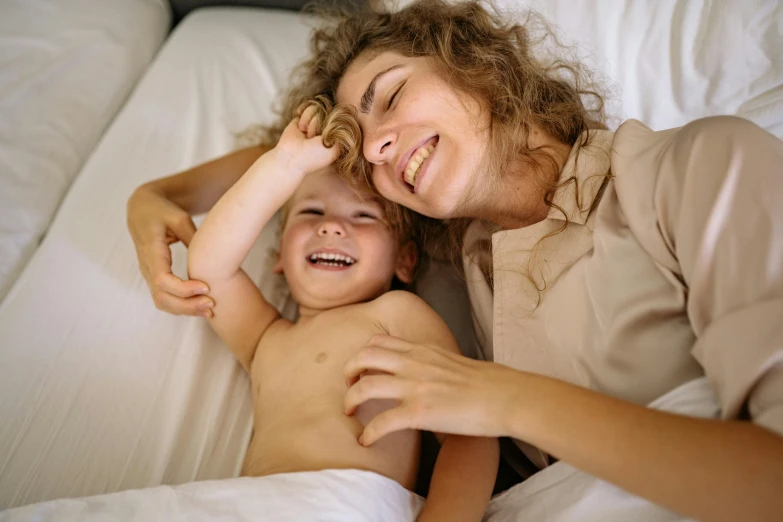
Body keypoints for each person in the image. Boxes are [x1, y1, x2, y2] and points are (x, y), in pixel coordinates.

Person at [128, 0, 783, 520]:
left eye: (388, 96)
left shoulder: (697, 166)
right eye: (363, 155)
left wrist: (501, 400)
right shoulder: (455, 264)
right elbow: (309, 185)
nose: (378, 150)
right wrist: (158, 194)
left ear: (473, 65)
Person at [182, 98, 499, 521]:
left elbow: (469, 431)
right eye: (311, 211)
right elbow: (209, 268)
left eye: (364, 216)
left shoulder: (396, 315)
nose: (331, 226)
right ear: (278, 255)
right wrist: (285, 165)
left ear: (405, 260)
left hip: (345, 503)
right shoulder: (264, 340)